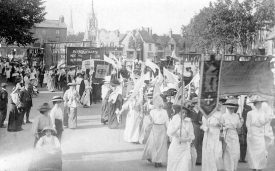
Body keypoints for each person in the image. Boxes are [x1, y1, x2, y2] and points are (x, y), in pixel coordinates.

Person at [246, 96, 274, 171]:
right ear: (255, 104)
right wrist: (250, 134)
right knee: (253, 152)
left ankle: (260, 167)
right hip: (252, 134)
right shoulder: (250, 113)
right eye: (258, 103)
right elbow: (248, 124)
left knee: (261, 151)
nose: (260, 104)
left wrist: (266, 120)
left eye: (261, 103)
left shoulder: (263, 113)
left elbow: (266, 122)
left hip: (260, 134)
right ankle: (254, 167)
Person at [142, 95, 169, 168]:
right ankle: (155, 160)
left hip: (162, 128)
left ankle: (159, 160)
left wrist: (168, 130)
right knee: (154, 145)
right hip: (155, 128)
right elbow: (150, 121)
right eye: (157, 103)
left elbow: (167, 121)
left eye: (160, 103)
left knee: (161, 145)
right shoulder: (152, 111)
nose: (159, 105)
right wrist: (149, 123)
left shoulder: (164, 112)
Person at [167, 103, 195, 171]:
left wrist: (186, 139)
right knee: (174, 164)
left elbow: (192, 136)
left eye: (185, 113)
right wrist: (177, 128)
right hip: (175, 146)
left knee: (185, 165)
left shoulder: (189, 122)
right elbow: (169, 132)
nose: (184, 114)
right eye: (182, 112)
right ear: (179, 112)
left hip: (185, 147)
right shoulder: (173, 120)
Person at [201, 101, 224, 171]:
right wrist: (206, 128)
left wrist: (220, 126)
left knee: (218, 153)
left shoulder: (220, 114)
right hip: (209, 134)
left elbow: (223, 125)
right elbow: (202, 125)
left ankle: (218, 168)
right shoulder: (205, 114)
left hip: (217, 134)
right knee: (209, 152)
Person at [221, 98, 243, 171]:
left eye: (233, 107)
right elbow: (221, 127)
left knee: (235, 152)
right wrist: (226, 127)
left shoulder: (236, 116)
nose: (232, 109)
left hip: (234, 135)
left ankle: (234, 168)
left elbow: (238, 126)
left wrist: (241, 121)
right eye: (230, 107)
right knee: (228, 152)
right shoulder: (223, 116)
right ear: (227, 107)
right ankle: (228, 168)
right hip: (227, 135)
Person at [238, 96, 252, 163]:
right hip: (239, 127)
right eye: (243, 99)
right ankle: (239, 157)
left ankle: (243, 158)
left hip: (246, 128)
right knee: (239, 143)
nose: (244, 100)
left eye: (245, 99)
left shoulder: (249, 108)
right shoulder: (237, 108)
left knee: (245, 143)